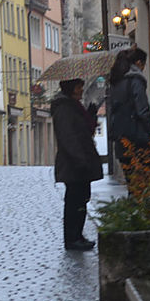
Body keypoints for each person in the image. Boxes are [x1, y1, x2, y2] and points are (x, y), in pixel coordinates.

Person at [51, 78, 104, 251]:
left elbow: (86, 130)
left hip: (81, 161)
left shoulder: (74, 106)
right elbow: (67, 137)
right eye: (79, 86)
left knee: (82, 198)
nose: (82, 89)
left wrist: (92, 114)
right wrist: (79, 159)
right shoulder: (64, 108)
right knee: (74, 201)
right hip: (73, 162)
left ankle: (78, 235)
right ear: (71, 88)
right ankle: (72, 238)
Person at [108, 47, 150, 195]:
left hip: (122, 141)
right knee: (142, 186)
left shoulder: (116, 82)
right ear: (139, 63)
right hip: (138, 139)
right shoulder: (136, 80)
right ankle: (141, 216)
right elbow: (142, 111)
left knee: (132, 187)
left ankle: (132, 216)